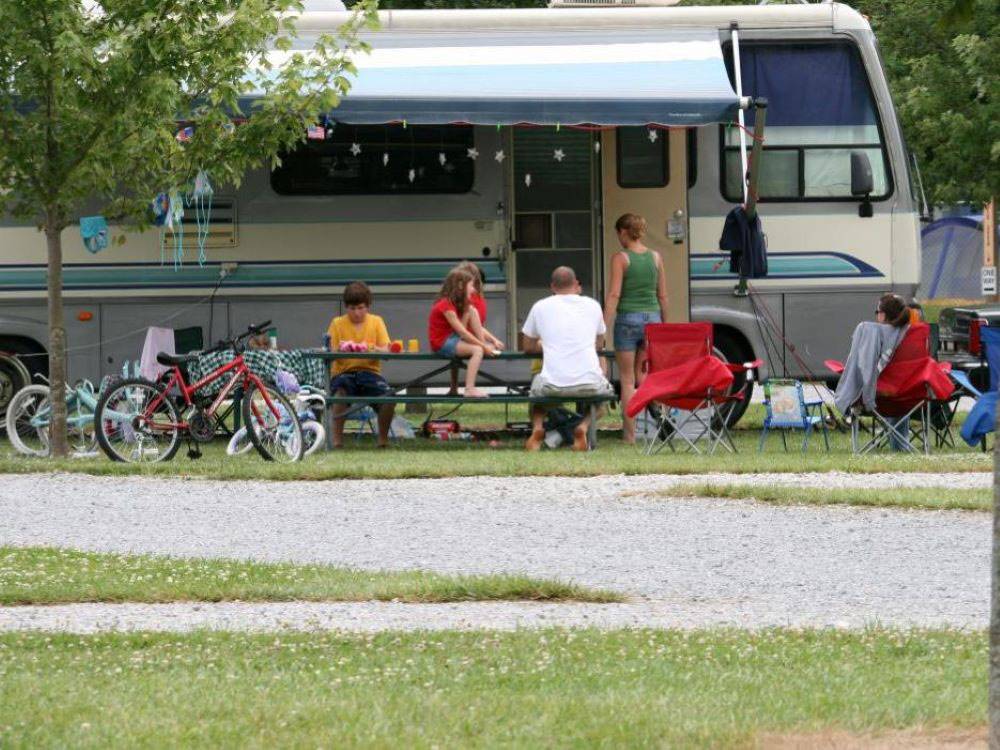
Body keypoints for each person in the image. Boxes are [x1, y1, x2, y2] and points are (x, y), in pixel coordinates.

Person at [522, 266, 614, 452]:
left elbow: (527, 346)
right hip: (589, 383)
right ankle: (582, 427)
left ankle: (539, 428)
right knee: (602, 401)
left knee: (536, 397)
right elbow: (599, 344)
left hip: (552, 385)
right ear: (576, 284)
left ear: (552, 287)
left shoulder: (540, 306)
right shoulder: (593, 305)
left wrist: (543, 344)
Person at [603, 213, 669, 444]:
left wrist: (603, 327)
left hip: (628, 320)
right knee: (645, 376)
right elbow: (662, 295)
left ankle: (629, 436)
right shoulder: (656, 257)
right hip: (652, 320)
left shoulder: (621, 258)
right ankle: (662, 419)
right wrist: (664, 325)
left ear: (623, 232)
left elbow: (614, 294)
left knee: (628, 379)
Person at [326, 281, 396, 448]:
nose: (356, 313)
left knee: (390, 396)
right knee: (340, 392)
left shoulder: (377, 322)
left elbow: (387, 350)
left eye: (360, 308)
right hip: (344, 373)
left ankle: (383, 440)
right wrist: (340, 351)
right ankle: (337, 441)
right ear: (346, 307)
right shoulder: (337, 323)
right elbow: (328, 351)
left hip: (370, 373)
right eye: (352, 308)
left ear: (368, 306)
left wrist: (370, 348)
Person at [427, 268, 499, 398]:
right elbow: (462, 332)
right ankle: (469, 389)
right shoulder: (446, 305)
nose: (474, 290)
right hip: (441, 343)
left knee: (472, 310)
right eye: (471, 285)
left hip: (452, 338)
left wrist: (467, 311)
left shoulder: (459, 303)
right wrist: (482, 347)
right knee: (477, 350)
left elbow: (463, 329)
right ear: (460, 285)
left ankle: (482, 345)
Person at [454, 261, 505, 353]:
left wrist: (493, 340)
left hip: (469, 338)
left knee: (491, 347)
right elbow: (462, 330)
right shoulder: (462, 298)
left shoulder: (478, 299)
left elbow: (477, 326)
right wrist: (483, 344)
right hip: (459, 339)